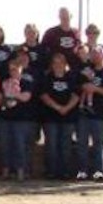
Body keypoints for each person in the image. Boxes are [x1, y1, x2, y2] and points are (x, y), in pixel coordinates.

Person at [75, 46, 103, 180]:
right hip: (83, 113)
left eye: (98, 53)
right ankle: (82, 170)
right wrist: (84, 87)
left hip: (99, 113)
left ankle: (98, 170)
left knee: (98, 143)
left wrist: (96, 89)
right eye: (92, 54)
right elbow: (76, 87)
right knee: (82, 143)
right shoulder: (85, 71)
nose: (95, 56)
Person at [0, 53, 39, 181]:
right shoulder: (4, 82)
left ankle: (21, 171)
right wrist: (9, 95)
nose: (13, 71)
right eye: (11, 69)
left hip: (22, 118)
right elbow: (0, 99)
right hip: (5, 117)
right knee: (5, 145)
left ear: (21, 69)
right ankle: (6, 170)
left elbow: (26, 98)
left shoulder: (26, 82)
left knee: (20, 145)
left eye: (16, 69)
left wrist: (13, 93)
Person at [39, 51, 80, 180]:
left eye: (60, 63)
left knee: (65, 145)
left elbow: (76, 95)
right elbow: (44, 96)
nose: (58, 65)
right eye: (55, 63)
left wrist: (66, 108)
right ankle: (51, 171)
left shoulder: (71, 77)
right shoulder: (47, 77)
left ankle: (65, 171)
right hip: (50, 117)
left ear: (65, 64)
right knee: (51, 144)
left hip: (68, 117)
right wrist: (58, 107)